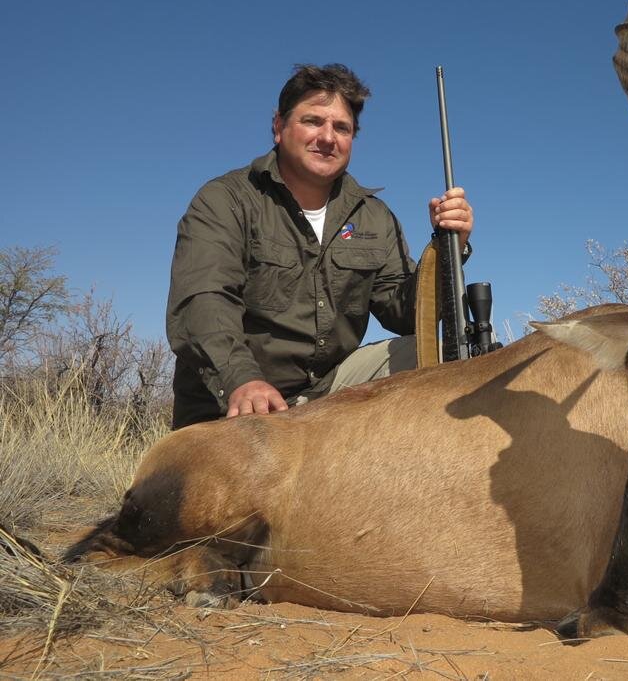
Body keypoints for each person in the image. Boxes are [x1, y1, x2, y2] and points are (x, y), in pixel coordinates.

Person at [166, 63, 473, 429]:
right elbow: (203, 300)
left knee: (442, 356)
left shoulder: (374, 216)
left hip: (327, 397)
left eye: (342, 127)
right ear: (279, 127)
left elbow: (405, 315)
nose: (328, 137)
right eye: (313, 121)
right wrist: (242, 381)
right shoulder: (225, 199)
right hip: (237, 404)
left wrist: (447, 246)